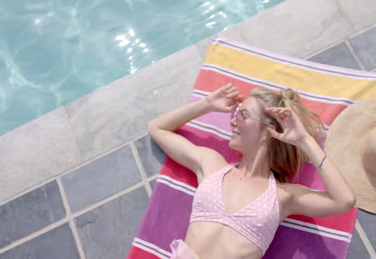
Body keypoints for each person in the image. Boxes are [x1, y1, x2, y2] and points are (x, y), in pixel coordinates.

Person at [148, 83, 356, 259]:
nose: (232, 121)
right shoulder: (211, 165)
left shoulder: (283, 196)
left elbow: (344, 201)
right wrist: (206, 105)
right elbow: (157, 128)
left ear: (268, 130)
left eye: (243, 115)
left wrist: (305, 141)